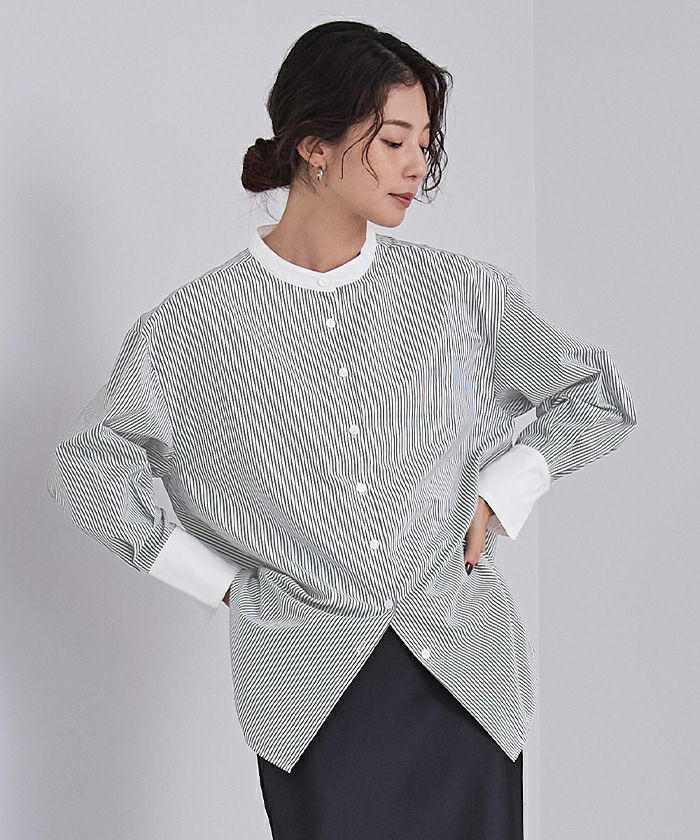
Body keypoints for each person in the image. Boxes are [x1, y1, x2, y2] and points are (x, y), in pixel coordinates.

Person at [45, 19, 638, 840]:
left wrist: (498, 493)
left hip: (461, 674)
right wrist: (221, 583)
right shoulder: (192, 328)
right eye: (393, 140)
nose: (416, 164)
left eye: (424, 143)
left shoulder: (462, 295)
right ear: (314, 146)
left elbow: (596, 395)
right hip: (311, 693)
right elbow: (87, 465)